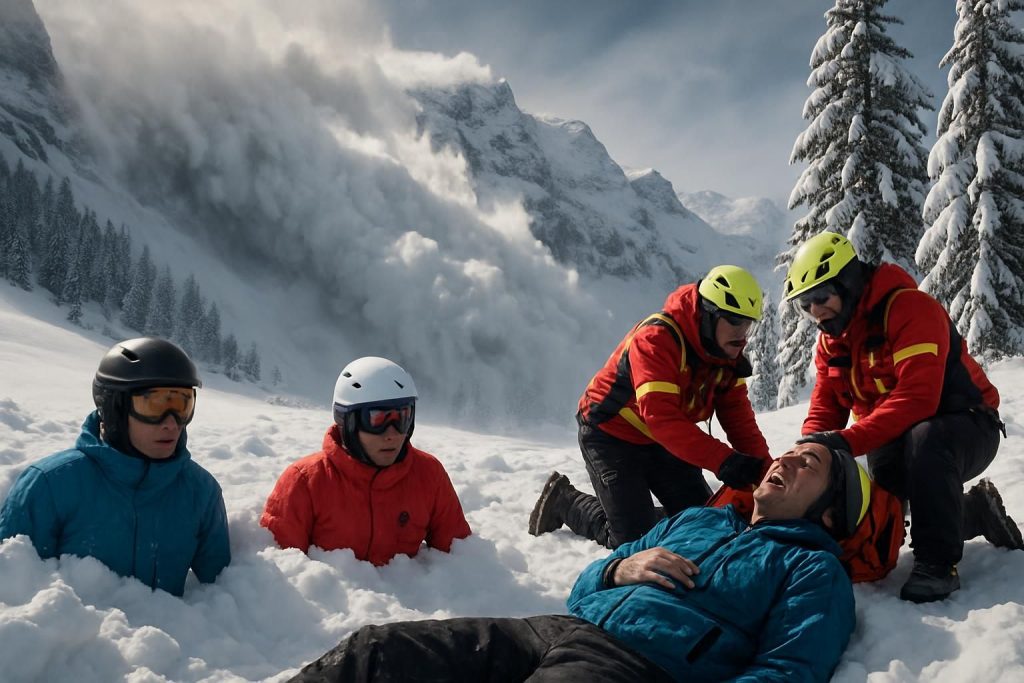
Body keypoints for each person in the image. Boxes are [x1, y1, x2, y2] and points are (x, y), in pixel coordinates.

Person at [289, 441, 865, 683]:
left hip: (644, 666)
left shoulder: (814, 570)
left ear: (830, 514)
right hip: (564, 628)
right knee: (377, 652)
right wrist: (619, 570)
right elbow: (582, 587)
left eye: (807, 464)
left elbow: (789, 671)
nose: (785, 460)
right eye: (788, 451)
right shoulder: (700, 519)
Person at [784, 231, 1023, 603]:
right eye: (804, 304)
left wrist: (845, 441)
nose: (815, 311)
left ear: (847, 283)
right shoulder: (832, 342)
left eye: (821, 297)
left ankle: (938, 565)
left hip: (967, 426)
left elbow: (918, 399)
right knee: (885, 520)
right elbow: (826, 405)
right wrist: (812, 451)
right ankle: (974, 512)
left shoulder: (911, 309)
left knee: (925, 440)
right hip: (895, 437)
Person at [529, 265, 772, 548]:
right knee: (634, 541)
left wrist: (768, 476)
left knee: (706, 522)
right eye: (733, 321)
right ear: (708, 315)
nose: (742, 334)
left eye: (748, 323)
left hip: (665, 441)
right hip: (610, 434)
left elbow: (740, 424)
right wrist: (724, 460)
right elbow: (662, 418)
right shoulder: (657, 339)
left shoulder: (728, 357)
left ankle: (640, 514)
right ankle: (564, 500)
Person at [0, 337, 230, 596]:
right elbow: (10, 592)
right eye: (154, 405)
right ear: (114, 408)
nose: (172, 423)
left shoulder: (201, 491)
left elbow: (224, 591)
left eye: (182, 405)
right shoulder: (50, 485)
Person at [261, 356, 471, 564]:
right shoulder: (305, 482)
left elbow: (460, 558)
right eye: (377, 419)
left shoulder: (428, 474)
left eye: (403, 417)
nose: (392, 434)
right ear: (348, 422)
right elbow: (283, 572)